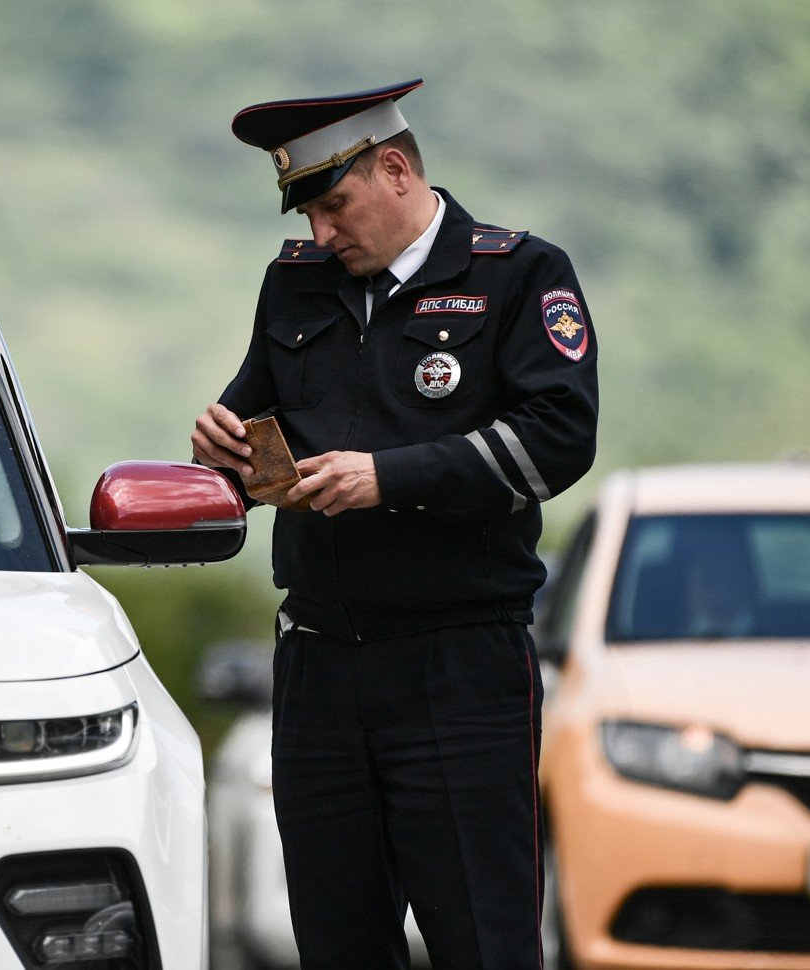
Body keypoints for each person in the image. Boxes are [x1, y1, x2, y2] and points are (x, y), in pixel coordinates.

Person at [190, 79, 598, 969]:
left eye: (335, 206)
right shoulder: (294, 285)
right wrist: (220, 448)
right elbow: (255, 443)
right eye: (307, 214)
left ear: (396, 168)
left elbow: (557, 441)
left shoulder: (517, 274)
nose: (321, 235)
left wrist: (389, 479)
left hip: (458, 669)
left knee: (482, 943)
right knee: (334, 945)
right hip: (317, 669)